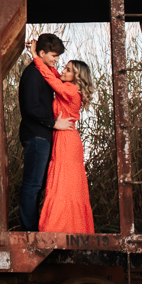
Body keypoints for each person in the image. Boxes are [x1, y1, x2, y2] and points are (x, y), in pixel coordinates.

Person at [18, 34, 74, 231]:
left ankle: (36, 227)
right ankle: (29, 231)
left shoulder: (44, 71)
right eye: (53, 55)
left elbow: (57, 78)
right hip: (35, 135)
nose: (56, 60)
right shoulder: (33, 74)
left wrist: (33, 52)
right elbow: (31, 107)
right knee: (32, 185)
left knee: (38, 185)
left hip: (42, 136)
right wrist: (53, 123)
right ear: (42, 53)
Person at [38, 59, 96, 232]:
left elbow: (51, 78)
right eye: (64, 67)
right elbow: (55, 74)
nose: (63, 71)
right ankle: (72, 227)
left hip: (66, 139)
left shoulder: (71, 89)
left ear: (76, 77)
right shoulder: (72, 89)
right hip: (66, 136)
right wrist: (45, 61)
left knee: (63, 182)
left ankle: (57, 227)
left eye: (68, 70)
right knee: (67, 184)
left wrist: (36, 57)